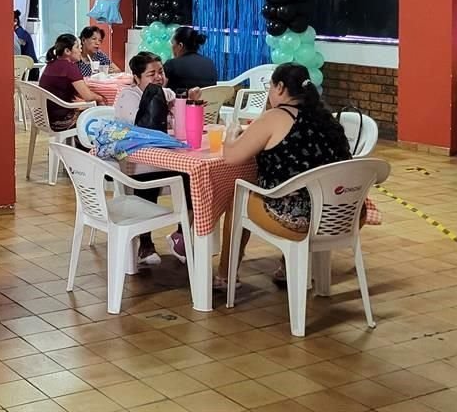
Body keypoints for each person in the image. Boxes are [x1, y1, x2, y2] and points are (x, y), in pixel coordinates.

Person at [219, 63, 352, 287]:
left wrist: (231, 134)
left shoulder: (276, 117)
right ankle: (286, 265)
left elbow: (231, 157)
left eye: (269, 87)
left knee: (238, 198)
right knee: (299, 185)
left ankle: (224, 275)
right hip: (340, 211)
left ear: (280, 87)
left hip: (297, 217)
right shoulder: (326, 118)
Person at [113, 52, 196, 265]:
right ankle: (145, 242)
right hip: (135, 162)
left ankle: (180, 235)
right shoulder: (127, 97)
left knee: (193, 176)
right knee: (146, 175)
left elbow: (180, 127)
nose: (159, 77)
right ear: (137, 78)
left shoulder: (168, 93)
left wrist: (188, 103)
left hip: (167, 157)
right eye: (151, 74)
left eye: (161, 72)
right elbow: (142, 128)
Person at [38, 34, 104, 131]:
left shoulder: (50, 65)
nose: (80, 51)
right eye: (77, 47)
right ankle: (87, 145)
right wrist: (101, 98)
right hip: (61, 120)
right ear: (67, 51)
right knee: (100, 110)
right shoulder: (69, 67)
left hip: (43, 117)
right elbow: (88, 96)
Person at [163, 26, 218, 94]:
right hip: (208, 103)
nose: (171, 47)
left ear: (180, 46)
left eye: (172, 43)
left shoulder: (171, 64)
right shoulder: (210, 63)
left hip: (181, 104)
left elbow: (161, 91)